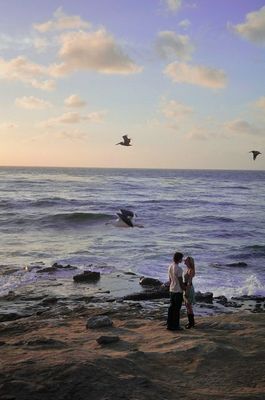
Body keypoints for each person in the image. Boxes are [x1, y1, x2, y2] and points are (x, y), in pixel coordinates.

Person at [166, 251, 186, 331]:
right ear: (179, 259)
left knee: (171, 308)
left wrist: (171, 287)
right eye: (182, 258)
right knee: (177, 309)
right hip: (178, 291)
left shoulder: (170, 266)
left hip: (172, 289)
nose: (182, 259)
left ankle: (169, 324)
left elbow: (170, 279)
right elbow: (180, 281)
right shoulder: (179, 269)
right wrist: (185, 289)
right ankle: (176, 326)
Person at [183, 256, 196, 329]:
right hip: (186, 288)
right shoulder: (187, 269)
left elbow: (189, 282)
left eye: (186, 260)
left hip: (189, 288)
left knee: (189, 306)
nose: (184, 260)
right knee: (187, 305)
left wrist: (187, 291)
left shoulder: (191, 270)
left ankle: (192, 323)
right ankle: (190, 322)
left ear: (189, 261)